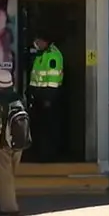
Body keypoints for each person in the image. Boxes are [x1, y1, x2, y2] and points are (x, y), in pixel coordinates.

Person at [0, 69, 26, 216]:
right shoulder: (19, 98)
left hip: (4, 145)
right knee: (10, 176)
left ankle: (9, 208)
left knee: (5, 177)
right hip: (18, 143)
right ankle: (5, 201)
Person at [27, 32, 63, 162]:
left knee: (48, 128)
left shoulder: (52, 55)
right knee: (40, 127)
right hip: (39, 97)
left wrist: (48, 99)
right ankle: (41, 153)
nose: (36, 44)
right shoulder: (41, 54)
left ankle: (48, 155)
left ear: (44, 41)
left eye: (37, 41)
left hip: (48, 98)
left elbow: (53, 80)